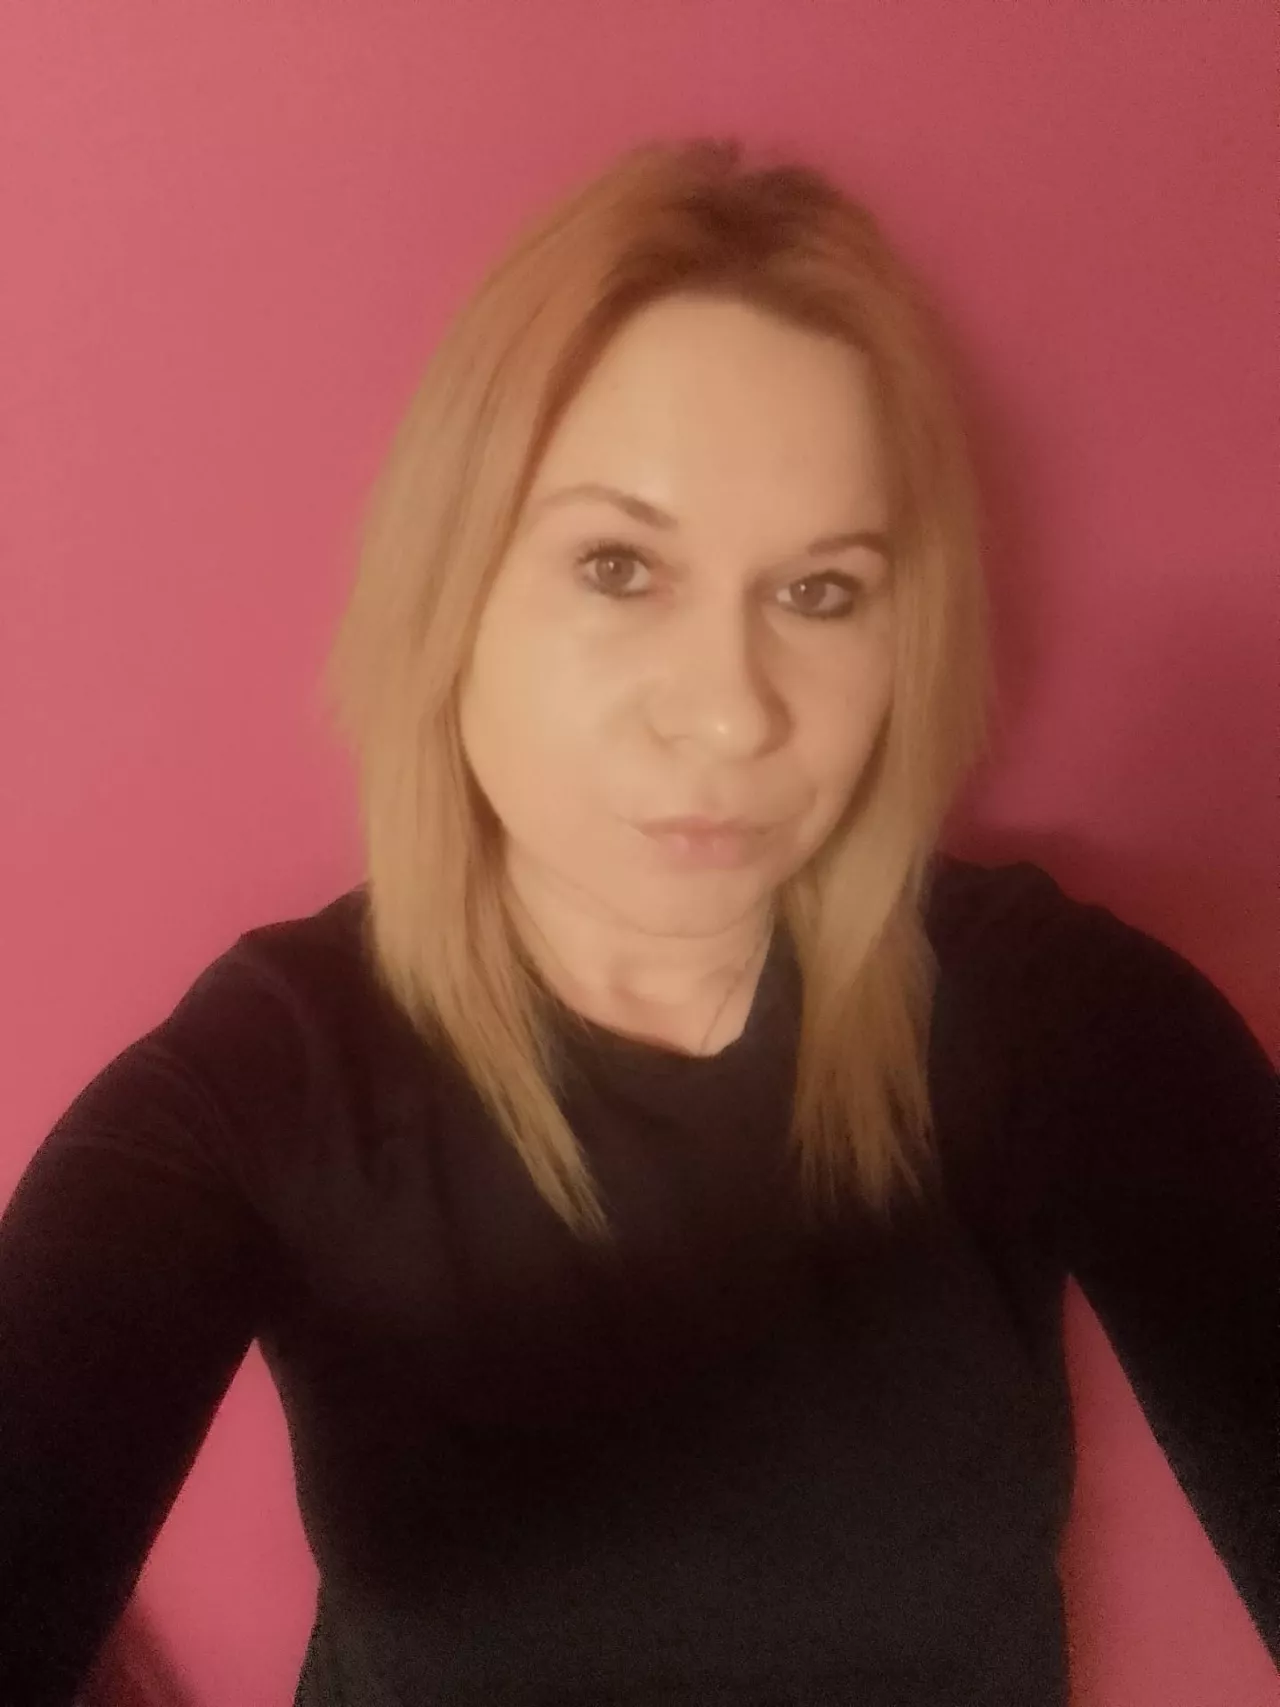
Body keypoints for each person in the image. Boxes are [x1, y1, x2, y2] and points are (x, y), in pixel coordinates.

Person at [1, 138, 1274, 1707]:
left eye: (821, 591)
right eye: (618, 567)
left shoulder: (1049, 1026)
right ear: (452, 592)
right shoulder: (266, 1084)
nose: (732, 714)